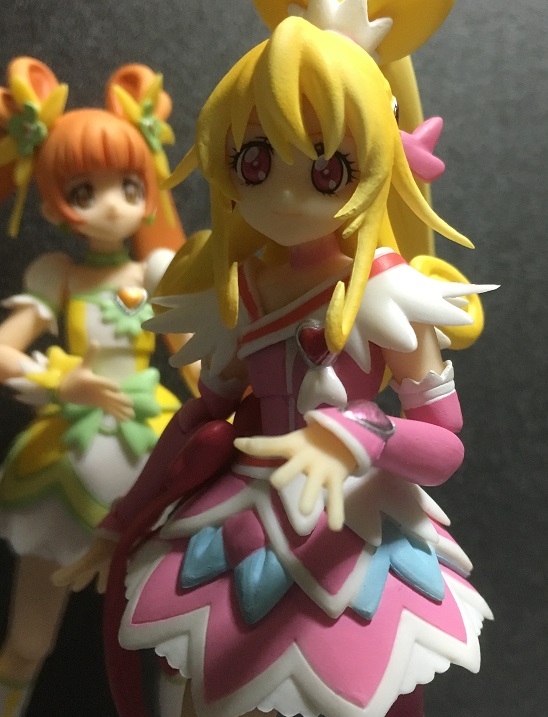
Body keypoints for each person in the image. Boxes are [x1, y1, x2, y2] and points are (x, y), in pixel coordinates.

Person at [57, 3, 495, 716]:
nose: (285, 194)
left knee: (361, 690)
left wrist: (356, 436)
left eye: (327, 168)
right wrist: (121, 520)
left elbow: (443, 442)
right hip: (240, 522)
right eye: (255, 163)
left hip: (354, 527)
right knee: (210, 693)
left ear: (374, 161)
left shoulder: (387, 292)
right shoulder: (241, 291)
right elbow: (199, 415)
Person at [0, 57, 190, 716]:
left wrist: (235, 418)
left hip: (151, 451)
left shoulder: (156, 271)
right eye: (85, 190)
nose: (111, 203)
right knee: (29, 639)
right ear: (56, 200)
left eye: (128, 185)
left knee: (175, 638)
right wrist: (61, 379)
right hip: (68, 452)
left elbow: (199, 363)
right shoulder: (58, 274)